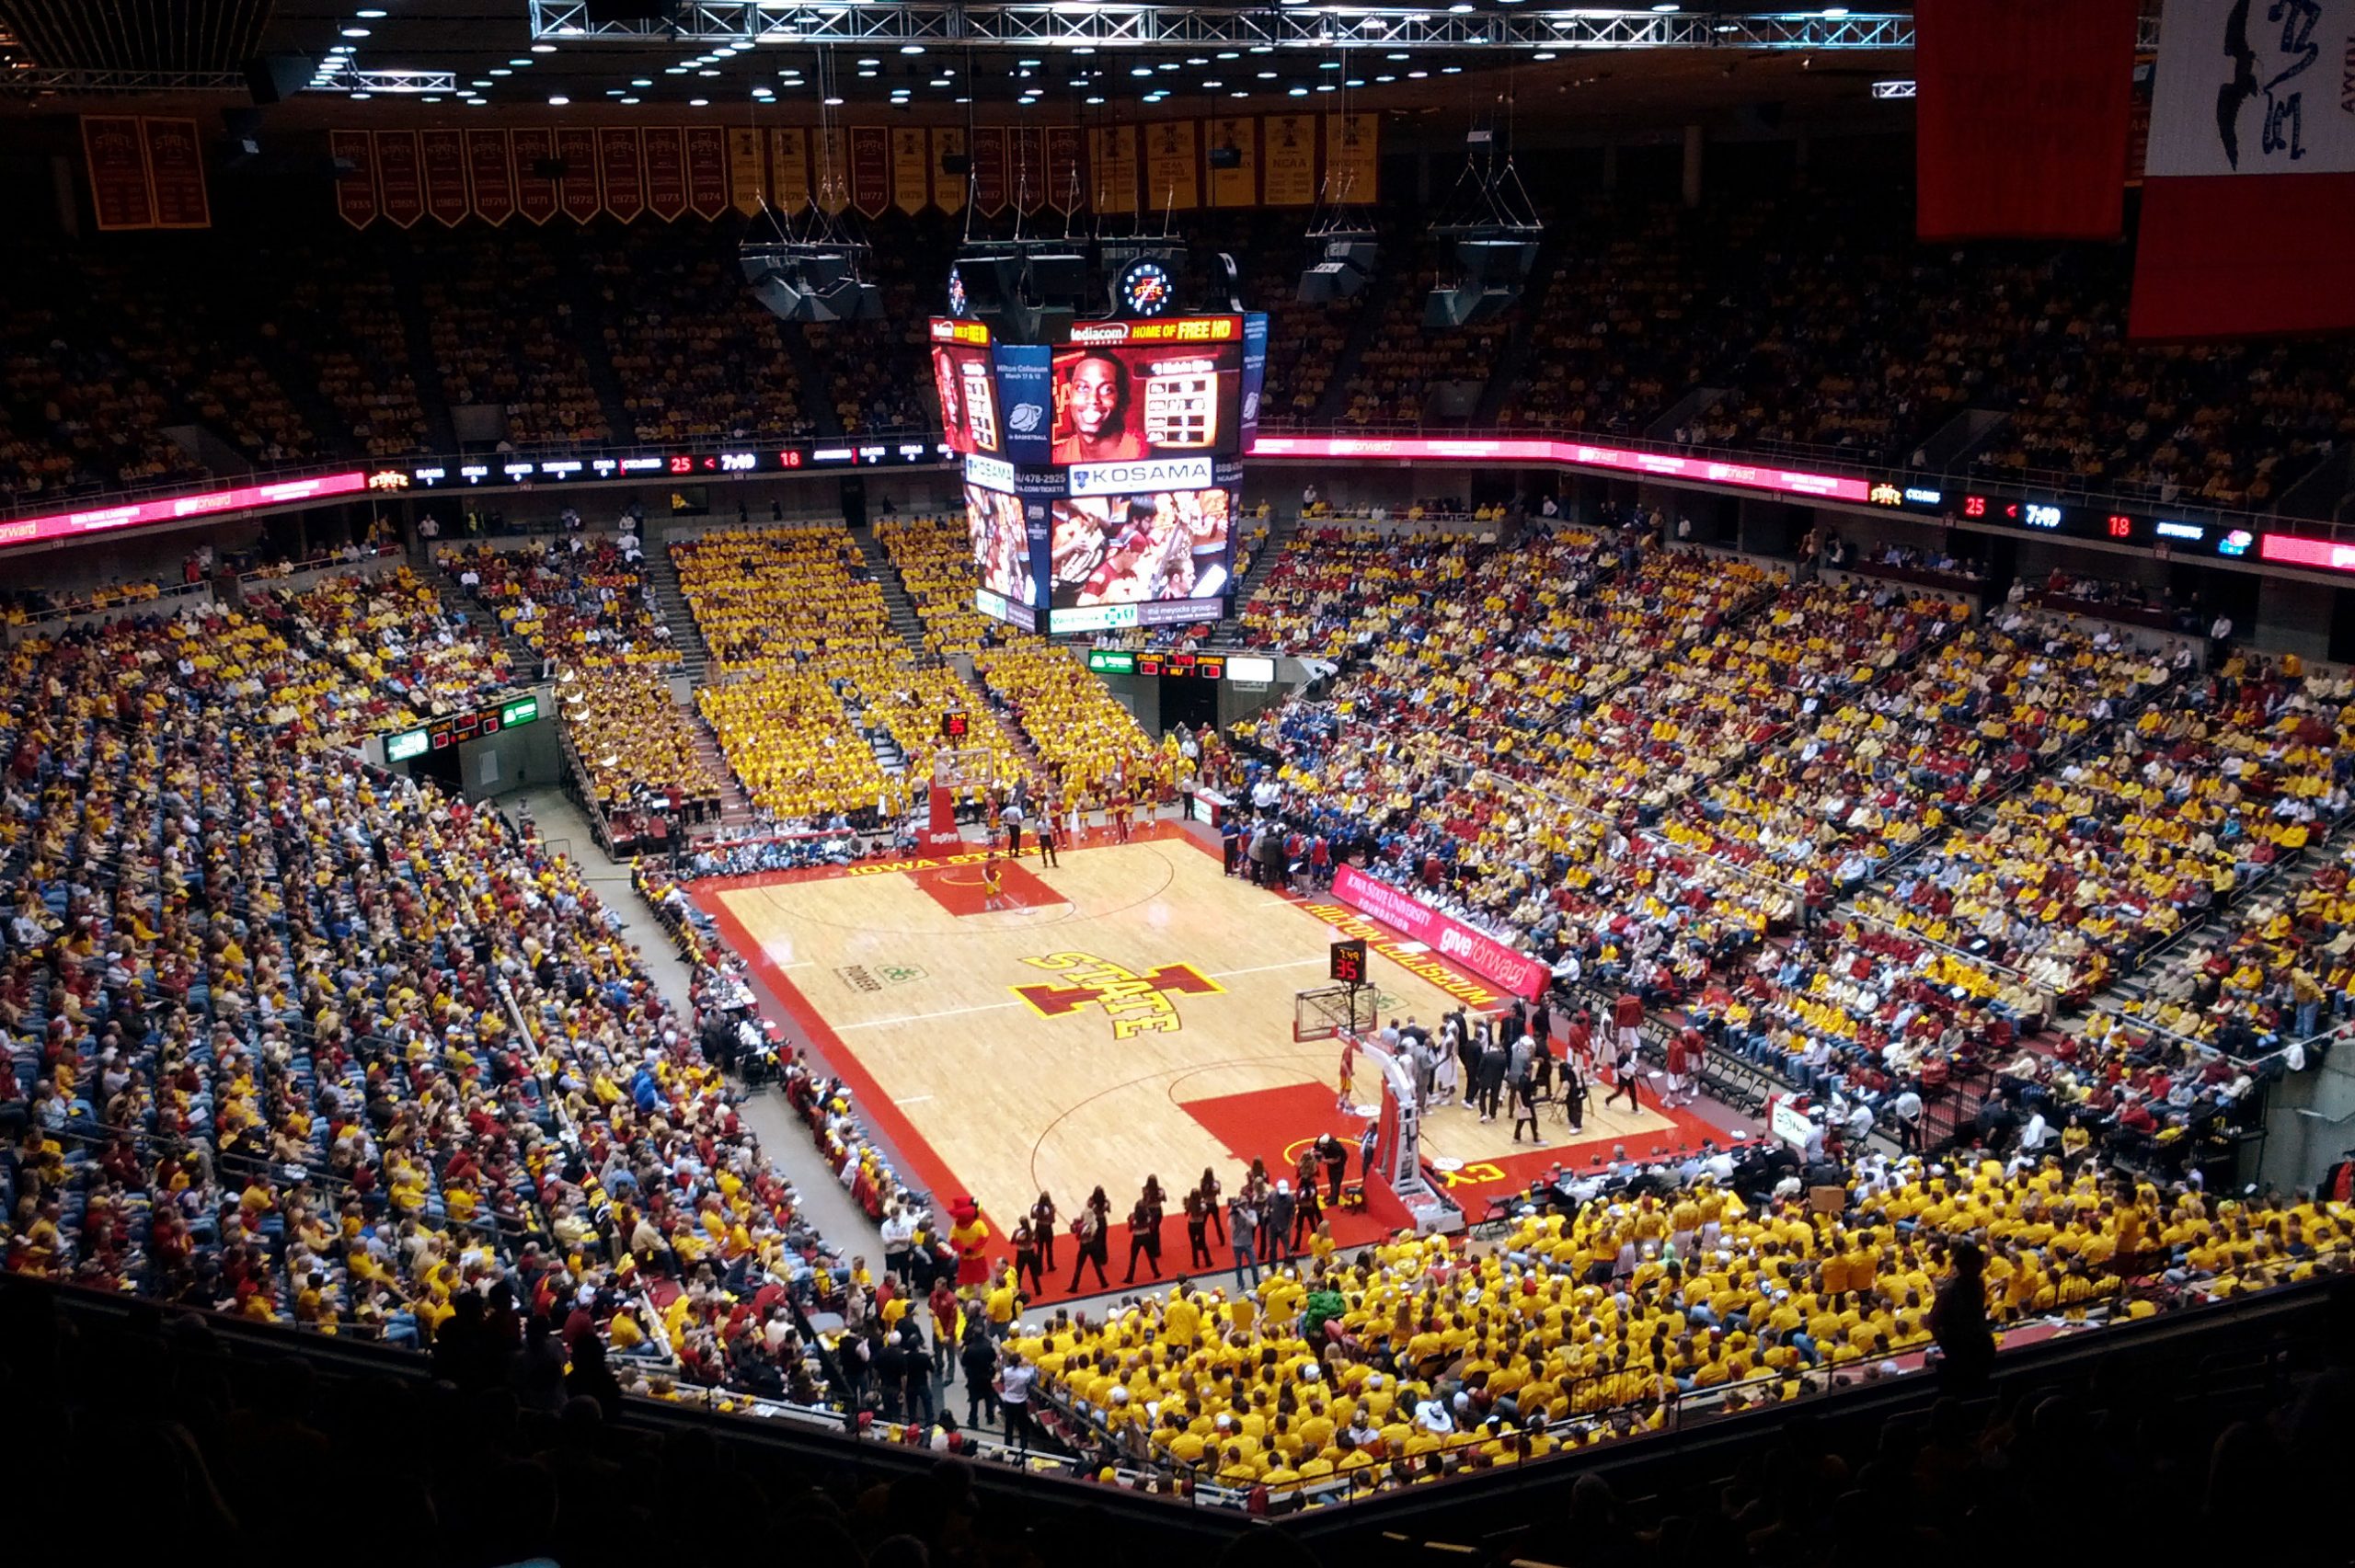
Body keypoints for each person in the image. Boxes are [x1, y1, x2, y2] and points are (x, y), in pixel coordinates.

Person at [1053, 350, 1147, 463]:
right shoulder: (1059, 457)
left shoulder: (1142, 453)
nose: (1093, 399)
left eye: (1106, 389)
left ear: (1123, 400)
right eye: (1082, 388)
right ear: (1069, 395)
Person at [1928, 1241, 1995, 1391]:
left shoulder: (1951, 1290)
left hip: (1967, 1350)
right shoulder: (1977, 1283)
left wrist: (1948, 1348)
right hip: (1977, 1346)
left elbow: (1933, 1322)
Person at [959, 1321, 999, 1428]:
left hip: (973, 1377)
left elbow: (964, 1362)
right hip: (986, 1375)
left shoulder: (970, 1349)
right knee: (988, 1397)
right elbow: (993, 1358)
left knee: (974, 1399)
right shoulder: (988, 1347)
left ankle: (973, 1420)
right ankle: (990, 1418)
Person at [995, 1349, 1037, 1454]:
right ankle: (1023, 1449)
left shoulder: (1006, 1372)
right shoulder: (1024, 1375)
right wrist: (1027, 1365)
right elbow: (1031, 1377)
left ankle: (1008, 1447)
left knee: (1009, 1426)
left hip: (1009, 1401)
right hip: (1020, 1402)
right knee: (1023, 1428)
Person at [1122, 1197, 1163, 1283]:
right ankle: (1156, 1273)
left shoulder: (1132, 1217)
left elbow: (1130, 1229)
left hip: (1137, 1238)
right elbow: (1152, 1226)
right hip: (1146, 1236)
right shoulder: (1148, 1216)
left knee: (1133, 1258)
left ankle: (1130, 1278)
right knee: (1151, 1256)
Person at [1011, 1217, 1043, 1296]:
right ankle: (1038, 1291)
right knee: (1034, 1273)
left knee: (1018, 1273)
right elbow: (1037, 1241)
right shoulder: (1032, 1232)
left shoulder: (1017, 1232)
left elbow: (1012, 1241)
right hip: (1031, 1253)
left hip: (1021, 1253)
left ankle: (1017, 1290)